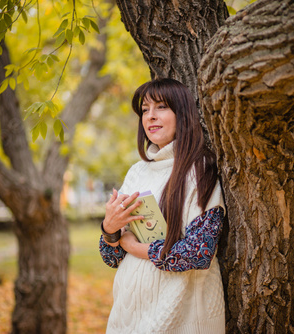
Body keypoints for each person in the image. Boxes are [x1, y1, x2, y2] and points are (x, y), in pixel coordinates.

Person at [99, 78, 226, 333]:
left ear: (183, 114)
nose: (150, 117)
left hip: (179, 314)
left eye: (161, 107)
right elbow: (112, 257)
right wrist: (109, 230)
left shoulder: (200, 169)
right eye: (145, 110)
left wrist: (133, 246)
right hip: (129, 313)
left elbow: (198, 252)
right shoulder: (137, 172)